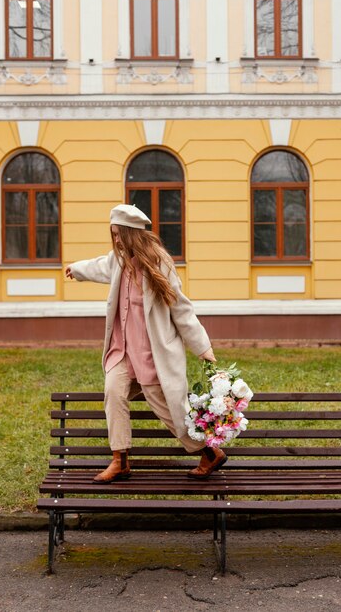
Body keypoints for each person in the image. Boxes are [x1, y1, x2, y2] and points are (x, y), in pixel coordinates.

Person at [65, 203, 227, 483]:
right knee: (113, 394)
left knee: (170, 411)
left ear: (132, 234)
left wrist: (203, 347)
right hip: (122, 352)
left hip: (153, 355)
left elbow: (181, 309)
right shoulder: (118, 261)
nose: (115, 240)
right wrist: (76, 269)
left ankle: (211, 453)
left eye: (119, 234)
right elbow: (98, 266)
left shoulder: (159, 263)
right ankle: (120, 461)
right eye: (112, 234)